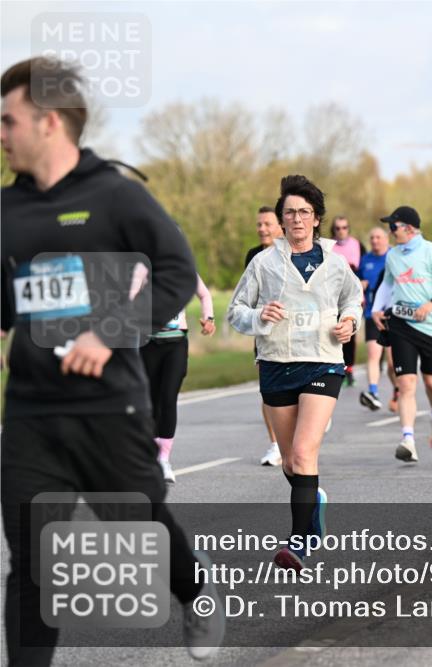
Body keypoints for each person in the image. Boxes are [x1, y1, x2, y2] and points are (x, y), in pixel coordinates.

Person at [0, 56, 224, 663]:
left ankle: (198, 592)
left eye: (8, 120)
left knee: (142, 524)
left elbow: (177, 272)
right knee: (32, 565)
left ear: (48, 122)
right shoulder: (6, 212)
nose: (1, 134)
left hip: (109, 407)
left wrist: (109, 330)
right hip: (30, 417)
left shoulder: (116, 197)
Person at [228, 175, 362, 570]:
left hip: (323, 361)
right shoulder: (263, 262)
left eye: (304, 212)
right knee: (291, 463)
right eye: (290, 212)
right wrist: (258, 315)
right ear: (281, 219)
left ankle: (299, 543)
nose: (297, 219)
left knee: (304, 453)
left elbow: (352, 297)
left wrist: (349, 322)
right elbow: (235, 312)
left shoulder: (336, 264)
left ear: (316, 218)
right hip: (276, 364)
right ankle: (313, 498)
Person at [370, 206, 432, 462]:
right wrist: (376, 309)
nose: (391, 233)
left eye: (394, 227)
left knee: (431, 381)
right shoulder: (393, 255)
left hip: (431, 326)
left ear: (409, 229)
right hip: (401, 324)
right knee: (406, 383)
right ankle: (408, 439)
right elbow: (387, 285)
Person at [131, 268, 215, 482]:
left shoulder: (183, 266)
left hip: (176, 343)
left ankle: (164, 458)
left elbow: (204, 294)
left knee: (168, 398)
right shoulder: (142, 268)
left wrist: (209, 318)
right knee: (150, 401)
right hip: (148, 343)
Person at [246, 206, 286, 466]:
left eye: (267, 224)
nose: (262, 229)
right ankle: (275, 444)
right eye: (259, 224)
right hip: (264, 330)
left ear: (280, 226)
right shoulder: (253, 255)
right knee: (268, 390)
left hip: (295, 329)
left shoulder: (291, 251)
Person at [358, 226, 393, 410]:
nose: (375, 241)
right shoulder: (365, 260)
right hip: (373, 313)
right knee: (373, 353)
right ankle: (373, 391)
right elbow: (357, 282)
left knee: (393, 362)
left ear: (387, 238)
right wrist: (361, 284)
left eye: (379, 237)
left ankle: (398, 391)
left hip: (394, 314)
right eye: (372, 238)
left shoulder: (395, 256)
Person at [329, 215, 364, 386]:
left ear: (348, 229)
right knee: (334, 333)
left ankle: (349, 369)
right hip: (332, 298)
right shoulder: (328, 247)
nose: (341, 231)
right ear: (333, 230)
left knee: (349, 332)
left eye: (344, 227)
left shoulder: (357, 245)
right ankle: (337, 369)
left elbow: (364, 268)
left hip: (352, 296)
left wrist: (364, 282)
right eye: (338, 228)